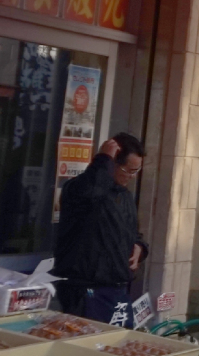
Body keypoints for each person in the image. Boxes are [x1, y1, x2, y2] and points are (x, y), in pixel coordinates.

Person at [53, 133, 148, 324]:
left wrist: (140, 247)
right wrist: (103, 158)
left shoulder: (125, 195)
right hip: (87, 289)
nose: (130, 177)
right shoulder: (80, 189)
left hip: (118, 288)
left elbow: (132, 233)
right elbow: (91, 189)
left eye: (135, 171)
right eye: (127, 170)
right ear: (112, 163)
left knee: (120, 348)